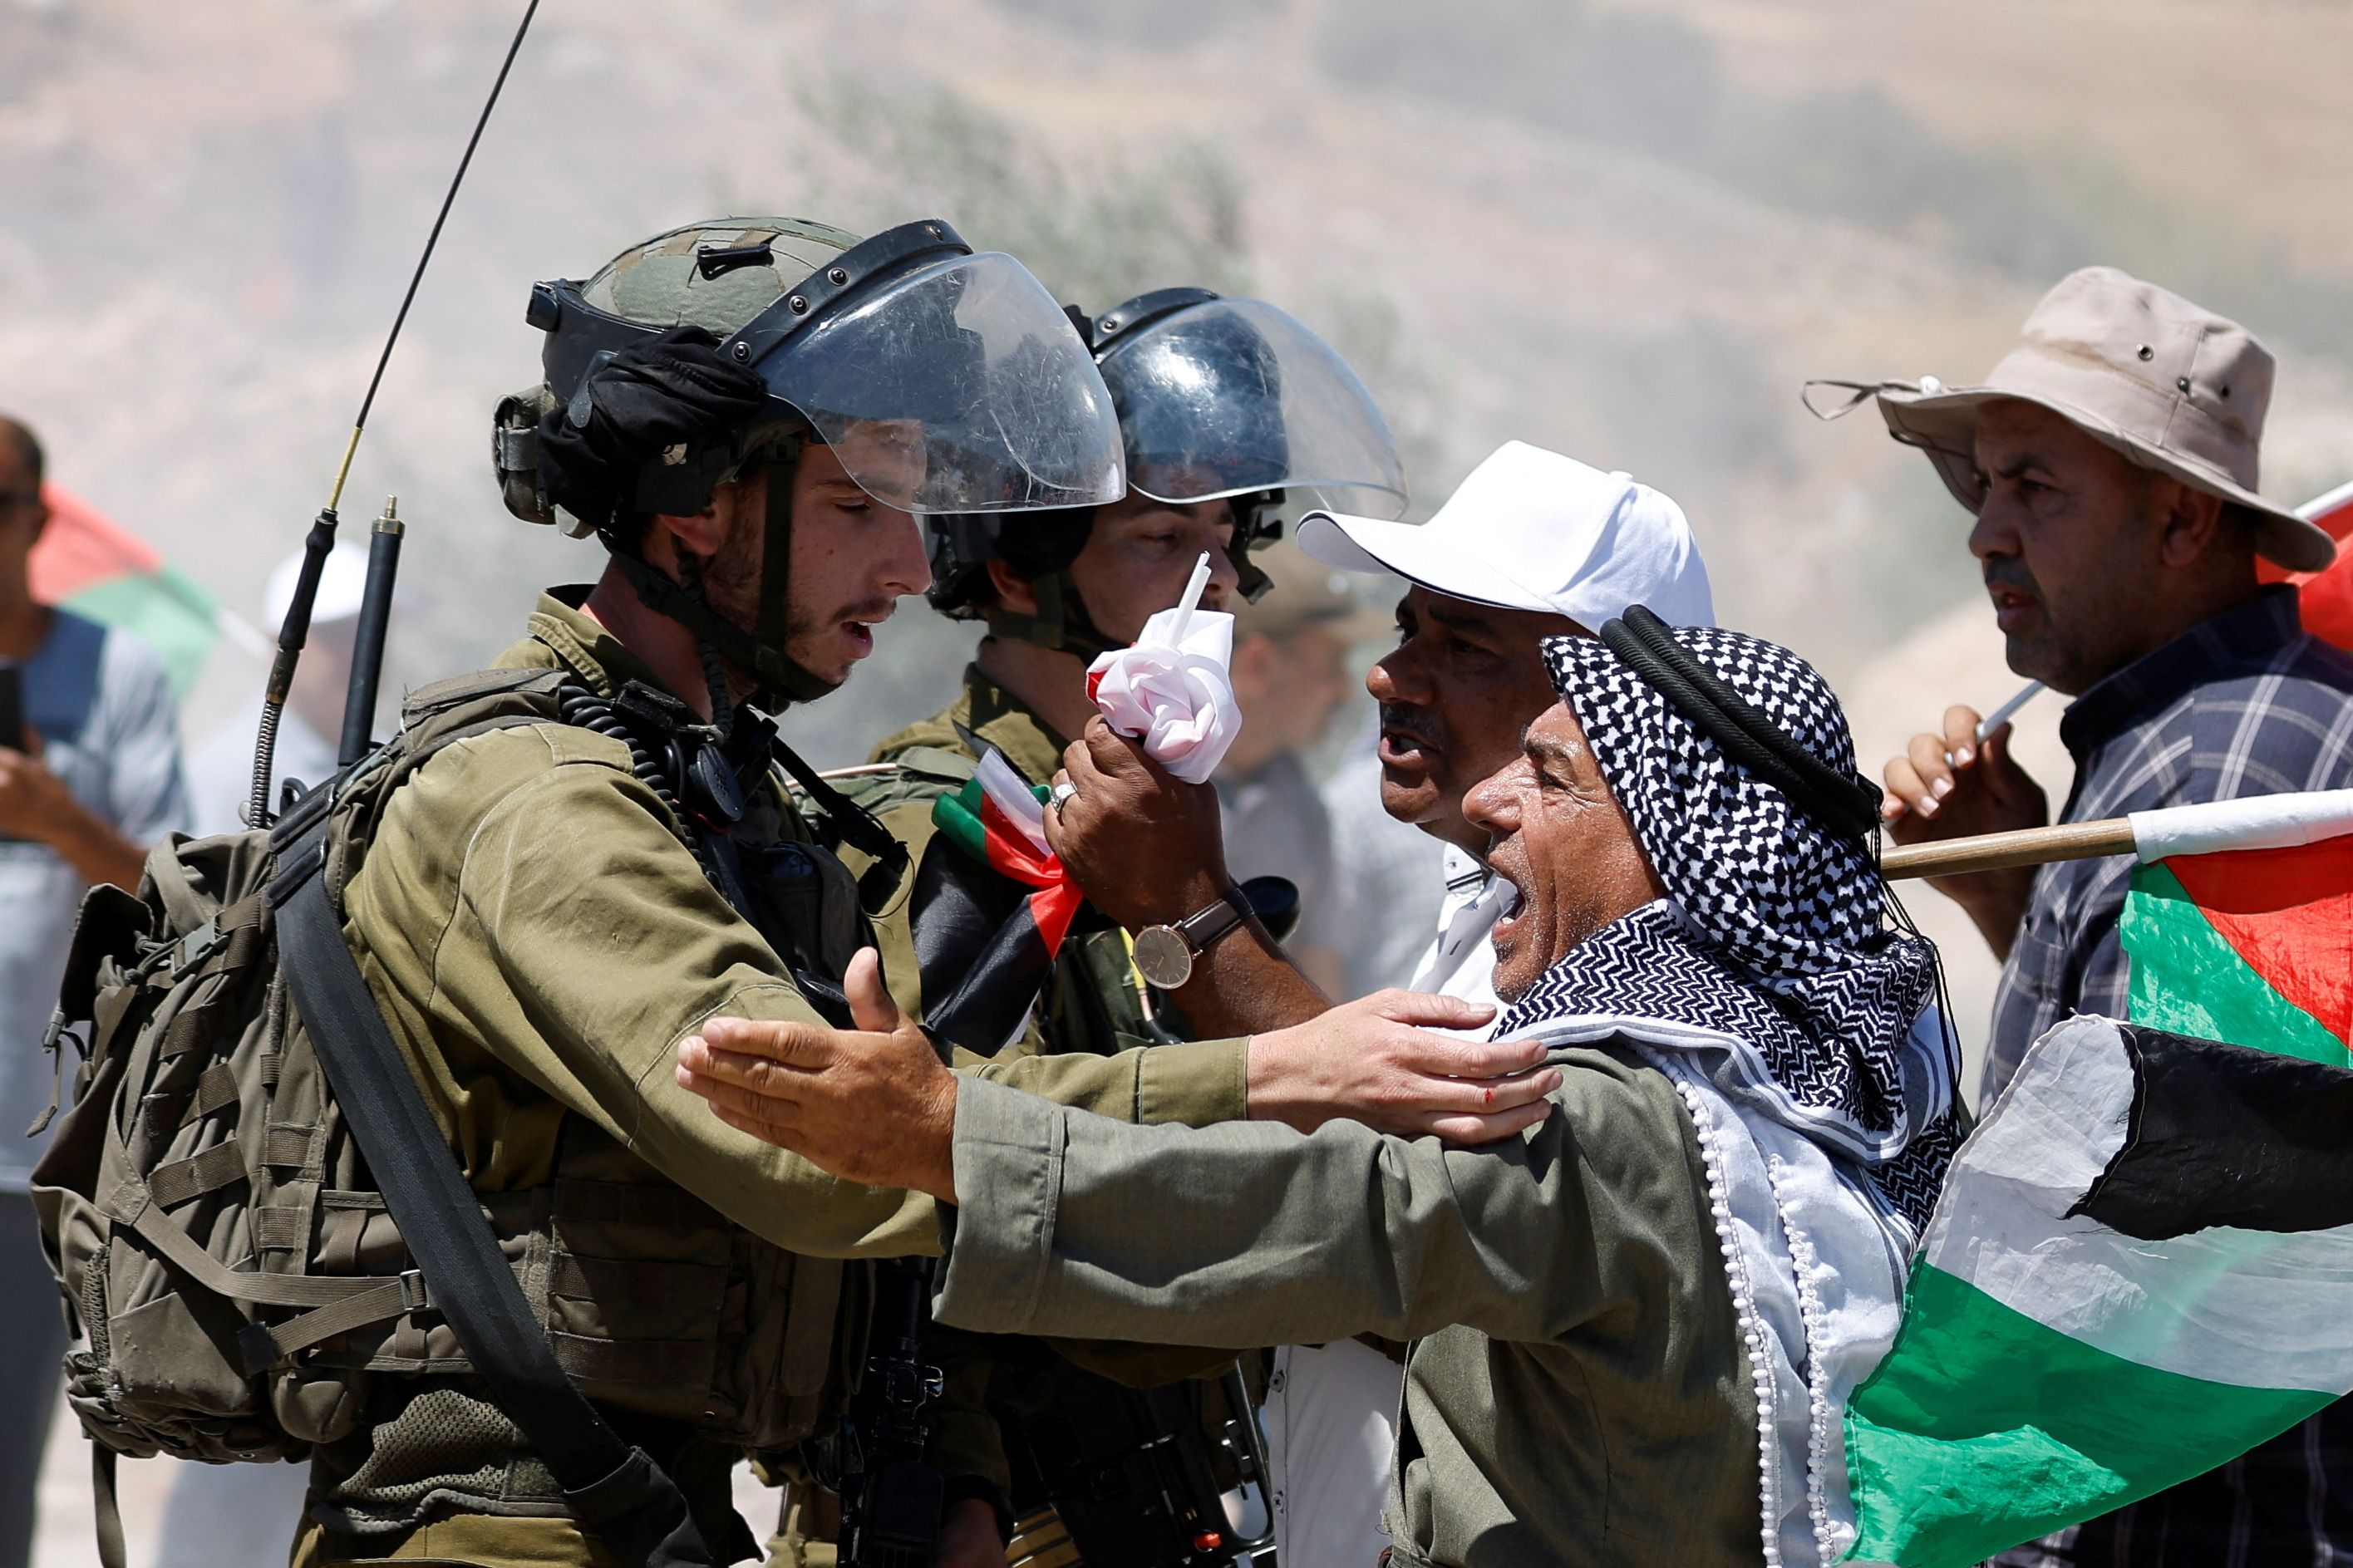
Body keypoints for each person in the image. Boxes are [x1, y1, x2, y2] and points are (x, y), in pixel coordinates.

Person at [299, 218, 1526, 1568]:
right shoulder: (547, 803)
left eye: (1230, 546)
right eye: (854, 505)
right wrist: (1273, 1075)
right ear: (697, 502)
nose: (899, 562)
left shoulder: (719, 790)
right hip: (511, 1529)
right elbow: (826, 1151)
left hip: (665, 1515)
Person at [674, 614, 1969, 1568]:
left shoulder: (1612, 1119)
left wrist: (951, 1137)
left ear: (1682, 845)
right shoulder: (1820, 1107)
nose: (1488, 802)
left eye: (1553, 777)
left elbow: (1329, 1212)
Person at [1858, 267, 2353, 1568]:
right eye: (1981, 486)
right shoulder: (2189, 739)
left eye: (2034, 486)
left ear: (2182, 517)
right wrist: (2000, 888)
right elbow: (2169, 1095)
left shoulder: (2230, 768)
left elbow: (2158, 1221)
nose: (1981, 532)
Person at [0, 415, 187, 1568]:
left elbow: (170, 903)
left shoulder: (115, 672)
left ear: (35, 518)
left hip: (31, 1157)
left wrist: (55, 816)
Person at [1212, 540, 1386, 995]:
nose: (1346, 692)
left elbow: (1318, 964)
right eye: (1331, 665)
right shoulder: (1148, 784)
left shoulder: (1301, 802)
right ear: (1259, 665)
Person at [186, 542, 370, 836]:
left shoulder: (388, 754)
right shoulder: (227, 774)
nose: (358, 652)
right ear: (279, 643)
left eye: (371, 632)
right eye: (334, 632)